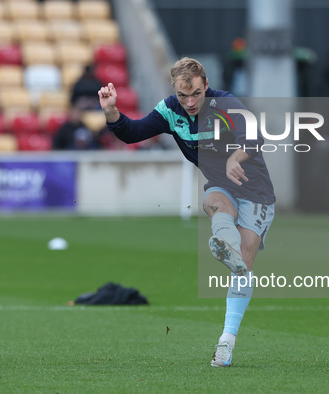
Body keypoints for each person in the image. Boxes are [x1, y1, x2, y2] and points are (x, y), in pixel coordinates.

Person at [99, 57, 275, 367]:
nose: (190, 102)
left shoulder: (227, 104)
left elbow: (255, 137)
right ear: (175, 92)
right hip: (221, 186)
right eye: (183, 95)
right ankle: (223, 243)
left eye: (195, 93)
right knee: (214, 201)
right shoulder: (170, 110)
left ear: (206, 85)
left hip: (256, 192)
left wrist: (236, 157)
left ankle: (227, 338)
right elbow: (133, 132)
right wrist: (112, 111)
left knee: (243, 265)